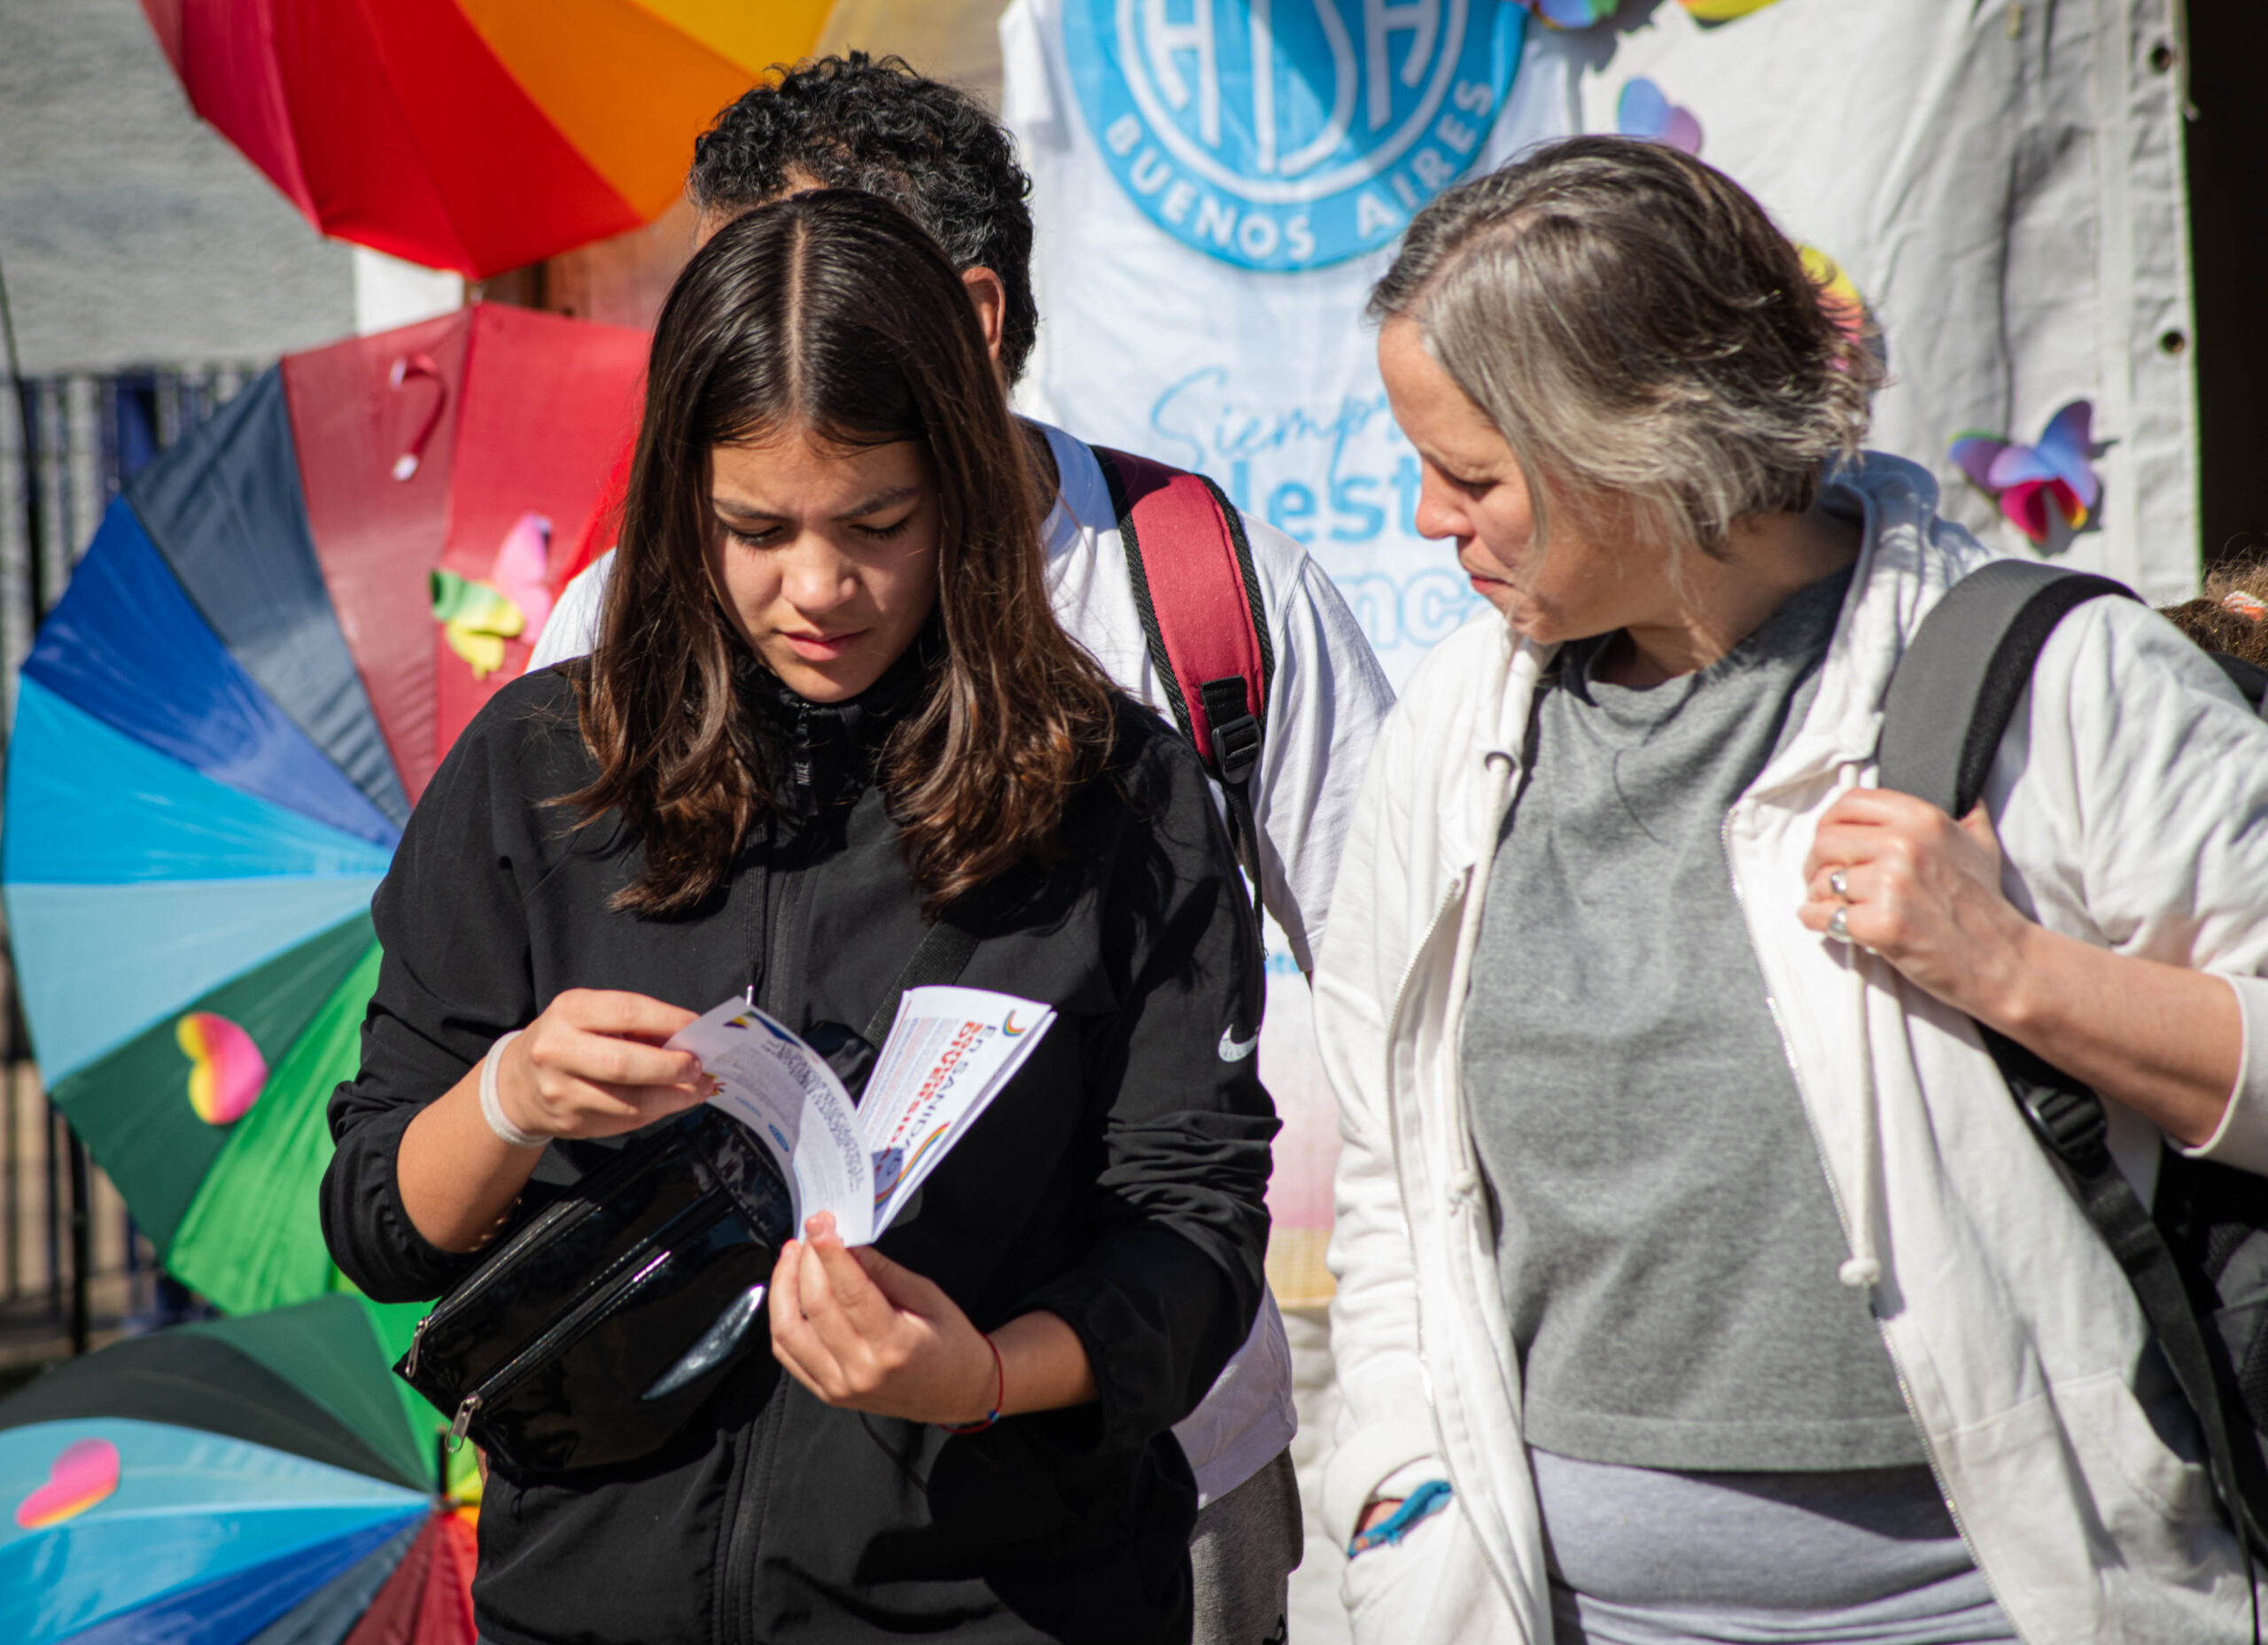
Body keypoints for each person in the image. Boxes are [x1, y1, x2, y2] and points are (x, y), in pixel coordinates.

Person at [1318, 136, 2268, 1644]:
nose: (1433, 521)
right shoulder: (1454, 725)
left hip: (1999, 1604)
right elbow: (1391, 1183)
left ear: (1645, 442)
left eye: (1472, 476)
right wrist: (1400, 1492)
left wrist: (2017, 968)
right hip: (1555, 1608)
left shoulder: (2058, 681)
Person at [322, 190, 1276, 1645]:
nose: (818, 589)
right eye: (753, 530)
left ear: (962, 486)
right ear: (677, 504)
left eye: (878, 523)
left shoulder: (1119, 793)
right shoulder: (536, 769)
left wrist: (983, 1375)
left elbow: (1194, 1235)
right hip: (585, 1606)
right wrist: (510, 1092)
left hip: (1001, 1602)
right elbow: (381, 1220)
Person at [529, 53, 1396, 1642]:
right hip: (705, 1500)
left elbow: (1416, 997)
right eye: (727, 294)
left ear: (974, 321)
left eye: (809, 290)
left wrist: (1419, 1404)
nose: (815, 587)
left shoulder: (1199, 593)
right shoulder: (617, 630)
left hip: (1157, 1473)